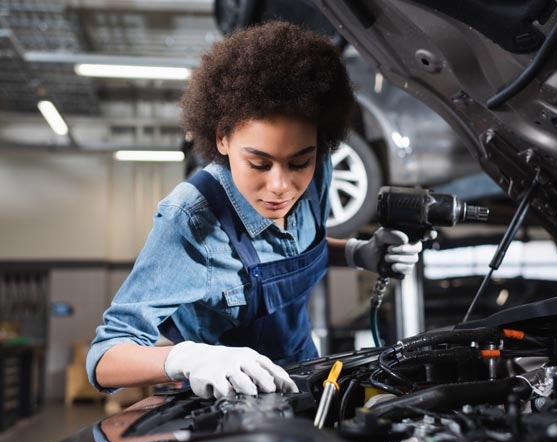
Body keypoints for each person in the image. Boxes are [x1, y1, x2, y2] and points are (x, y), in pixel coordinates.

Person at [86, 21, 425, 400]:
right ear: (222, 138)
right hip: (225, 407)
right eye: (260, 164)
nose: (281, 186)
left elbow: (294, 251)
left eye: (299, 162)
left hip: (304, 380)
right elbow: (104, 358)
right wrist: (187, 357)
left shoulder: (317, 175)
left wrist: (357, 253)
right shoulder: (191, 220)